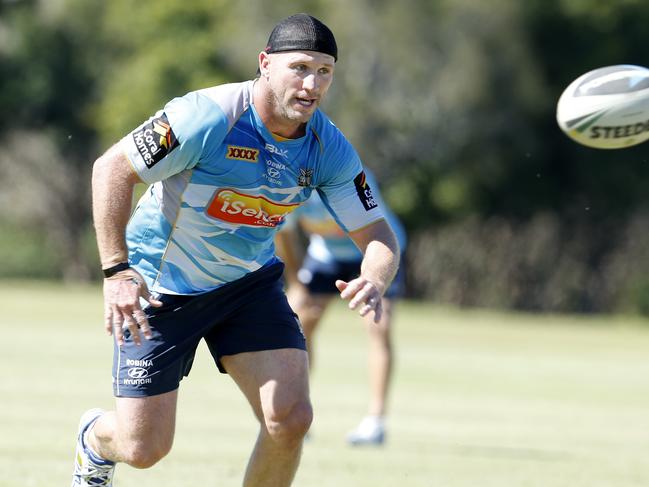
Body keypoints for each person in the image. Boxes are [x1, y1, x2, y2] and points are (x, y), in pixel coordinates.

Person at [71, 13, 400, 487]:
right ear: (265, 64)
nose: (312, 84)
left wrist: (374, 277)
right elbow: (111, 170)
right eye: (300, 67)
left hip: (247, 284)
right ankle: (91, 440)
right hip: (161, 284)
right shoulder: (205, 115)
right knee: (143, 448)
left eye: (324, 71)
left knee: (291, 419)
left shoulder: (327, 146)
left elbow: (379, 237)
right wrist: (117, 271)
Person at [275, 169, 406, 446]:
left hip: (373, 253)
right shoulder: (288, 183)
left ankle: (376, 422)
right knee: (296, 320)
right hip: (327, 255)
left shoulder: (351, 175)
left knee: (377, 327)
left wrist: (373, 279)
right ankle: (295, 413)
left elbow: (376, 232)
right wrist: (297, 285)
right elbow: (284, 235)